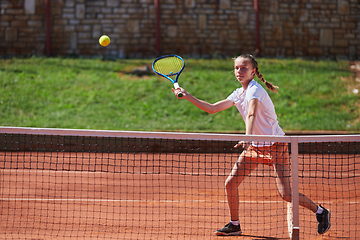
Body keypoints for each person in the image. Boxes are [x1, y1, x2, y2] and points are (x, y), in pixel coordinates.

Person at [172, 54, 331, 236]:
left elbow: (251, 114)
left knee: (286, 194)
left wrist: (247, 138)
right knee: (230, 184)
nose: (239, 71)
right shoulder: (239, 93)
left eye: (244, 68)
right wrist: (187, 96)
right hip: (255, 147)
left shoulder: (255, 90)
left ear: (253, 71)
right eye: (236, 68)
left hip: (276, 145)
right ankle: (235, 224)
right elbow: (213, 108)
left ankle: (321, 212)